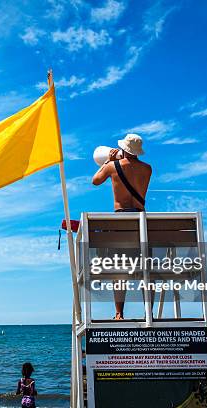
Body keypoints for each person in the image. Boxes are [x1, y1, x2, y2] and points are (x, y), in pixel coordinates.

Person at [91, 133, 152, 320]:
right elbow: (133, 169)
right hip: (141, 223)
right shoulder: (147, 169)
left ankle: (119, 313)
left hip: (121, 224)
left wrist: (108, 160)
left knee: (120, 272)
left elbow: (95, 181)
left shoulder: (112, 167)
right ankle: (148, 312)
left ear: (123, 149)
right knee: (145, 271)